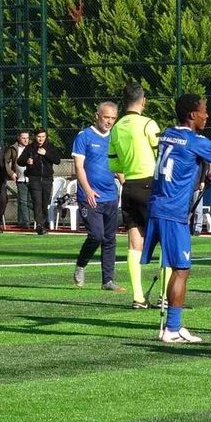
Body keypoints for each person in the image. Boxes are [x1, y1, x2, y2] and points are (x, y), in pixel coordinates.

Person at [143, 94, 211, 343]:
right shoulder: (197, 141)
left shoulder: (168, 133)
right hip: (173, 211)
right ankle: (172, 328)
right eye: (204, 111)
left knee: (177, 268)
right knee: (182, 269)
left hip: (158, 204)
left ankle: (174, 326)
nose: (207, 115)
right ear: (192, 115)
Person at [108, 82, 161, 309]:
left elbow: (113, 164)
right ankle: (165, 295)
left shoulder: (116, 128)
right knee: (166, 239)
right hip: (150, 185)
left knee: (133, 242)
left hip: (129, 186)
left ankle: (138, 297)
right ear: (143, 101)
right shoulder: (149, 124)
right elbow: (162, 155)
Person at [72, 102, 124, 292]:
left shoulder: (115, 137)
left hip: (110, 195)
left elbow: (118, 166)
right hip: (90, 196)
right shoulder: (84, 136)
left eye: (113, 118)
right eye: (106, 117)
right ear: (97, 116)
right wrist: (87, 190)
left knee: (109, 238)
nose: (109, 121)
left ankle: (108, 280)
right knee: (96, 235)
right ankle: (81, 264)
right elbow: (79, 167)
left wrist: (126, 184)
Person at [17, 128, 61, 235]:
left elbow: (57, 160)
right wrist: (27, 161)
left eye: (43, 137)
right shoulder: (30, 148)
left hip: (47, 179)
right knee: (37, 201)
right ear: (35, 137)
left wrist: (46, 154)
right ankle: (40, 225)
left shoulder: (50, 147)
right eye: (39, 137)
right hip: (34, 179)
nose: (41, 139)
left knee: (44, 202)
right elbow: (19, 161)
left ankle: (44, 222)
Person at [4, 130, 32, 229]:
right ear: (18, 138)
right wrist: (11, 173)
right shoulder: (13, 149)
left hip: (32, 178)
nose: (26, 140)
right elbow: (5, 162)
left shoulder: (32, 148)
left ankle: (36, 220)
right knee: (23, 201)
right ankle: (26, 222)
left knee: (31, 201)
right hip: (20, 178)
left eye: (27, 138)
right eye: (23, 138)